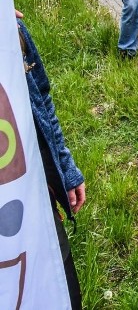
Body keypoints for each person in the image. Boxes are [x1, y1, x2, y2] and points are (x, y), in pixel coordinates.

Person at [18, 18, 86, 309]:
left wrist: (65, 169)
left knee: (64, 292)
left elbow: (41, 98)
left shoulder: (12, 30)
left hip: (35, 199)